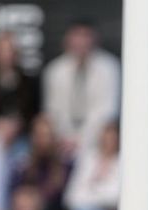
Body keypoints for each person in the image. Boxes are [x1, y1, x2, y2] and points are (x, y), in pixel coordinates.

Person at [40, 20, 120, 155]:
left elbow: (108, 110)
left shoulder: (109, 67)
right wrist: (67, 139)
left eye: (86, 36)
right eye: (77, 36)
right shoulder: (55, 70)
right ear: (67, 39)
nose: (82, 42)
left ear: (95, 39)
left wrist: (82, 139)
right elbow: (53, 110)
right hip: (62, 142)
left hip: (98, 142)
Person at [62, 122, 120, 210]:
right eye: (106, 138)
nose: (108, 143)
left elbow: (115, 197)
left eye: (112, 139)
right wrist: (102, 197)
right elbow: (72, 198)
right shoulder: (88, 158)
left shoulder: (123, 161)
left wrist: (92, 193)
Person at [0, 31, 39, 127]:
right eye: (1, 50)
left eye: (9, 50)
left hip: (22, 132)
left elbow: (34, 115)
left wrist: (17, 124)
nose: (5, 55)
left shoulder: (28, 83)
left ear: (16, 53)